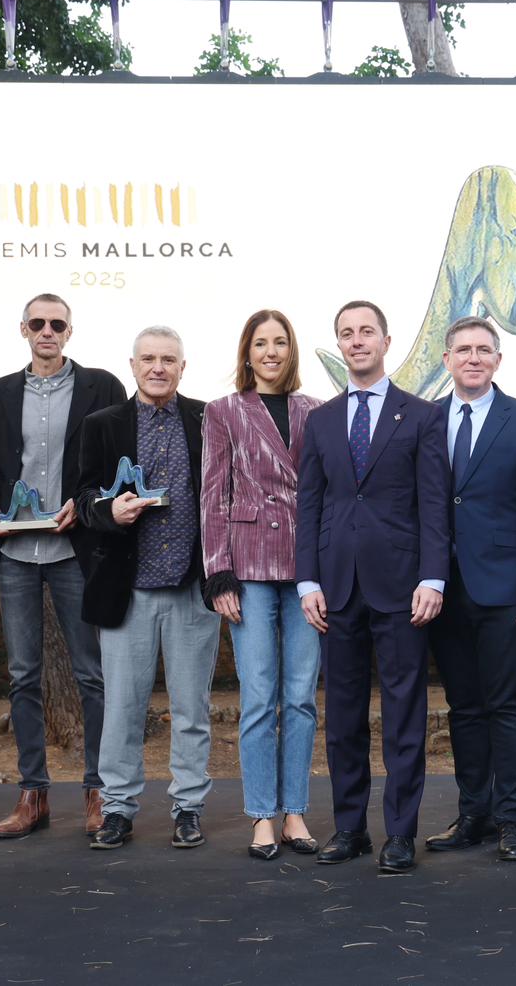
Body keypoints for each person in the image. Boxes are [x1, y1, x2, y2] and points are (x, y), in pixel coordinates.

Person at [294, 300, 450, 874]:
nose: (357, 341)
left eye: (366, 332)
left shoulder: (423, 416)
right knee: (344, 717)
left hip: (405, 588)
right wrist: (307, 578)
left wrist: (433, 576)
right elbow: (308, 505)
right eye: (347, 334)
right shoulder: (322, 420)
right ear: (340, 344)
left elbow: (434, 504)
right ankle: (350, 828)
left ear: (386, 341)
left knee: (405, 714)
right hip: (335, 590)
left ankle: (401, 834)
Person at [0, 293, 126, 840]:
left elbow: (111, 466)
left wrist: (84, 503)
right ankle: (32, 794)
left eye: (56, 324)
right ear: (23, 329)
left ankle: (98, 790)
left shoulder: (102, 387)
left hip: (73, 549)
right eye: (37, 323)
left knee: (92, 674)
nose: (47, 331)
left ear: (70, 331)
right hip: (17, 552)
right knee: (22, 676)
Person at [423, 317, 516, 862]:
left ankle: (511, 821)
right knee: (463, 708)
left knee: (506, 705)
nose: (473, 358)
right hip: (442, 590)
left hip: (507, 592)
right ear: (447, 359)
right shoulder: (427, 421)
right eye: (463, 350)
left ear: (498, 360)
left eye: (484, 350)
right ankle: (473, 814)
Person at [77, 326, 221, 852]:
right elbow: (85, 493)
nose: (158, 368)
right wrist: (107, 511)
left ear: (183, 367)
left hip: (191, 589)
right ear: (132, 366)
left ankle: (187, 807)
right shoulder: (103, 424)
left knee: (191, 708)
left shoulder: (209, 420)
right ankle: (117, 809)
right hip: (127, 590)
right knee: (122, 708)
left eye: (168, 360)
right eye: (148, 360)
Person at [200, 309, 324, 860]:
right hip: (247, 569)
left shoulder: (316, 411)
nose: (270, 352)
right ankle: (260, 816)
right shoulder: (223, 411)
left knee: (299, 699)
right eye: (260, 343)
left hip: (305, 572)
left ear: (291, 351)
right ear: (246, 353)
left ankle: (295, 810)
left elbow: (325, 494)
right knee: (257, 699)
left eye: (280, 342)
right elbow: (212, 494)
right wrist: (217, 572)